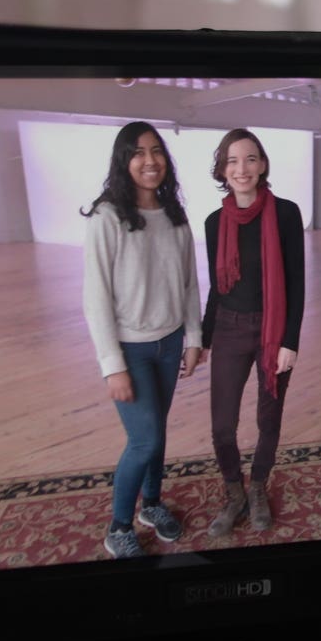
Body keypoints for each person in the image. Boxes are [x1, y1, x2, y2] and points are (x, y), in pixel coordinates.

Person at [80, 124, 203, 559]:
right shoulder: (107, 216)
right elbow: (95, 298)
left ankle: (151, 505)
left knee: (157, 432)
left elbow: (189, 284)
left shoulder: (174, 215)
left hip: (169, 344)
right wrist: (111, 364)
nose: (149, 161)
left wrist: (194, 337)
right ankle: (118, 527)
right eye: (138, 153)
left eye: (156, 152)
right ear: (123, 161)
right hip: (130, 349)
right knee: (144, 440)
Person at [199, 130, 306, 538]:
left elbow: (295, 281)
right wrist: (204, 340)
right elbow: (216, 287)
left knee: (268, 418)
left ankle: (258, 487)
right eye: (232, 161)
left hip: (272, 329)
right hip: (228, 327)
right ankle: (234, 493)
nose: (241, 169)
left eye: (250, 159)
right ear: (222, 169)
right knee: (222, 425)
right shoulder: (214, 223)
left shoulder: (286, 214)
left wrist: (290, 341)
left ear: (262, 164)